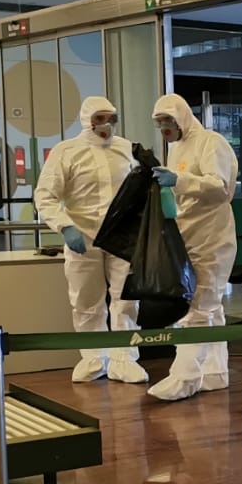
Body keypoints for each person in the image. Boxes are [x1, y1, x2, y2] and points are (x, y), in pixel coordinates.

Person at [33, 97, 150, 384]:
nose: (106, 124)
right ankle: (94, 357)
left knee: (126, 300)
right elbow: (45, 196)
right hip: (82, 239)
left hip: (123, 239)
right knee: (86, 301)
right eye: (100, 118)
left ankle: (125, 359)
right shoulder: (66, 151)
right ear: (87, 119)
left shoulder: (128, 149)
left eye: (111, 117)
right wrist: (64, 226)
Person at [147, 94, 238, 401]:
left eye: (168, 122)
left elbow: (220, 186)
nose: (164, 129)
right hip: (188, 237)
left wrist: (179, 180)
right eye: (160, 124)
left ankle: (183, 378)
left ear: (182, 117)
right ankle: (215, 371)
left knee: (198, 308)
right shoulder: (177, 149)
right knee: (211, 308)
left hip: (212, 238)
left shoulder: (211, 142)